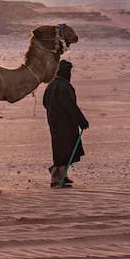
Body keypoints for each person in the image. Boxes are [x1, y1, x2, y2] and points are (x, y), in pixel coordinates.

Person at [42, 59, 89, 188]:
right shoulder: (63, 86)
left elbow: (45, 103)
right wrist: (81, 121)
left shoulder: (51, 85)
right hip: (64, 123)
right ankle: (57, 178)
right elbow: (70, 106)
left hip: (55, 121)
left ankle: (63, 175)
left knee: (62, 148)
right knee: (65, 149)